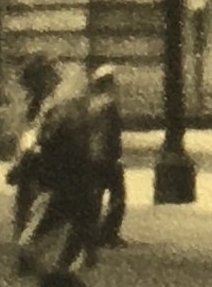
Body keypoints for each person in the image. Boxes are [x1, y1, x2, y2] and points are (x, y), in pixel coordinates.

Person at [7, 55, 104, 275]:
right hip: (65, 171)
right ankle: (42, 258)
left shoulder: (55, 102)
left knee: (70, 216)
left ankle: (64, 261)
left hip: (62, 170)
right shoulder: (58, 102)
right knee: (62, 215)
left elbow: (38, 136)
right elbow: (41, 136)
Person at [85, 65, 128, 249]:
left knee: (95, 196)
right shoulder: (109, 104)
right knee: (118, 196)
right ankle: (109, 234)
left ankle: (91, 232)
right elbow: (111, 133)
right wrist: (116, 155)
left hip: (92, 156)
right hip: (107, 156)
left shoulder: (91, 104)